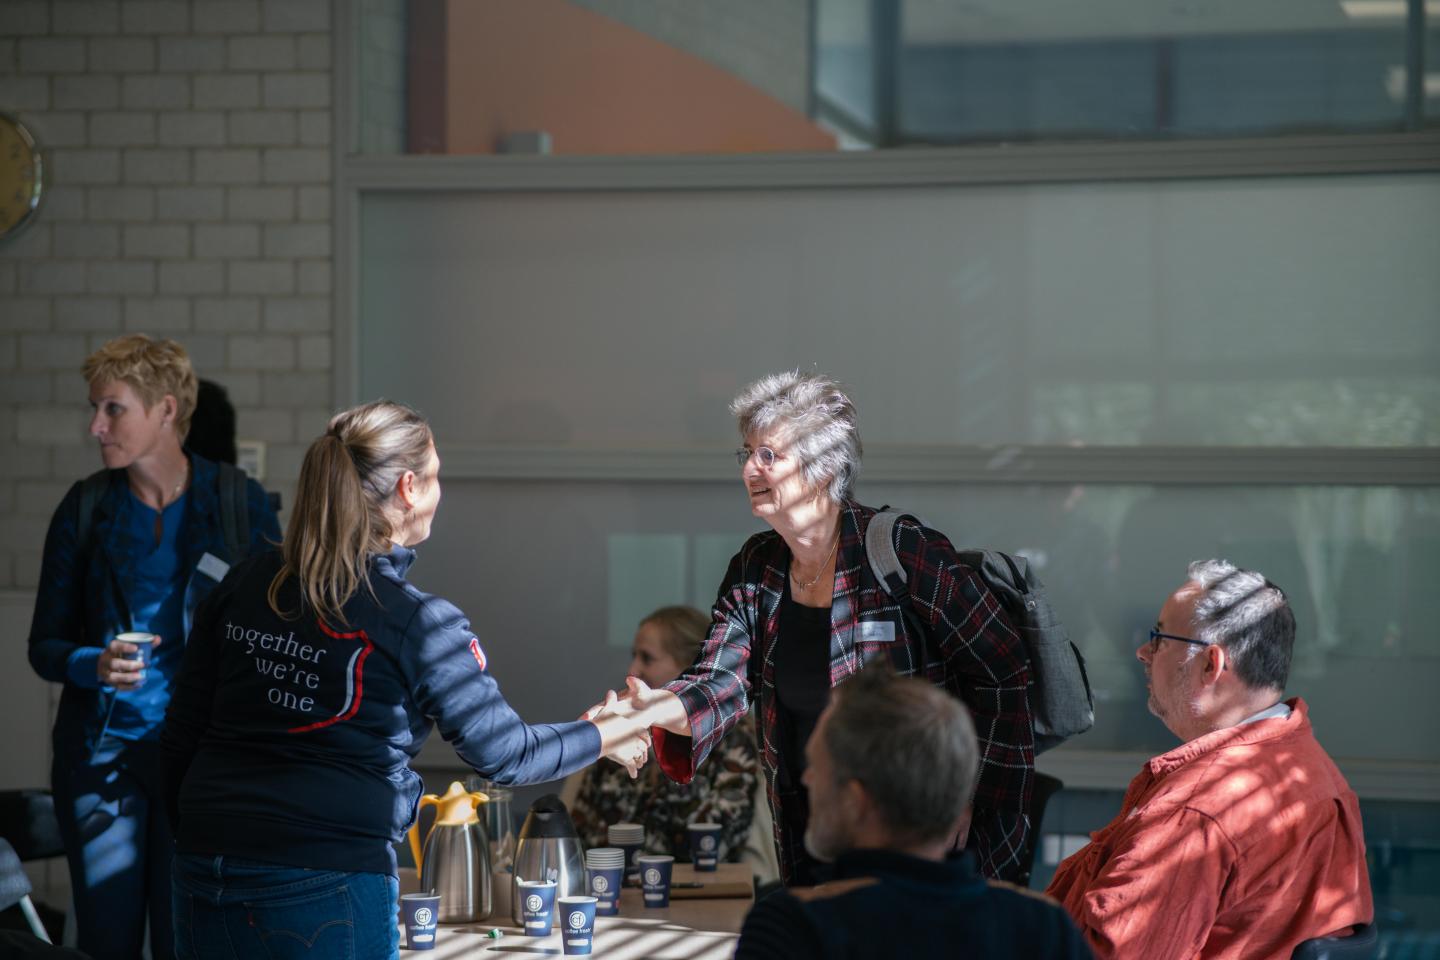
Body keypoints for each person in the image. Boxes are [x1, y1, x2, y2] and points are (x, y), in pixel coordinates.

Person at [160, 401, 652, 960]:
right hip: (327, 877)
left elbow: (180, 735)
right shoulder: (414, 621)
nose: (443, 491)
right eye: (438, 476)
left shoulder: (246, 582)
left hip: (203, 865)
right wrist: (609, 730)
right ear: (410, 487)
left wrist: (199, 834)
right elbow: (507, 756)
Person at [590, 371, 1034, 884]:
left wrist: (961, 796)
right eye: (747, 453)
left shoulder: (903, 552)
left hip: (919, 833)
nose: (750, 469)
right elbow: (719, 682)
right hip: (815, 830)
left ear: (823, 469)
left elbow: (1006, 670)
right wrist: (650, 708)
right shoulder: (757, 566)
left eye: (769, 455)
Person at [26, 335, 281, 960]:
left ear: (166, 410)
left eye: (113, 409)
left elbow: (278, 632)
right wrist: (95, 663)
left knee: (185, 940)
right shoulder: (85, 508)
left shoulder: (237, 504)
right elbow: (44, 646)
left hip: (201, 763)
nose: (96, 426)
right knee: (107, 944)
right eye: (95, 408)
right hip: (101, 761)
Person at [1045, 560, 1374, 960]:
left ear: (1210, 664)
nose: (1143, 652)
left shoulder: (1197, 812)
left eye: (1160, 638)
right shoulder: (1307, 764)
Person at [734, 666, 1091, 959]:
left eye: (816, 767)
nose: (807, 779)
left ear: (857, 801)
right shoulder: (1044, 928)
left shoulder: (794, 928)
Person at [567, 606, 760, 864]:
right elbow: (578, 830)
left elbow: (718, 842)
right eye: (634, 656)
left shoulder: (733, 738)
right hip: (607, 888)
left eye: (647, 658)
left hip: (690, 896)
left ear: (692, 668)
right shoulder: (622, 729)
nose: (633, 670)